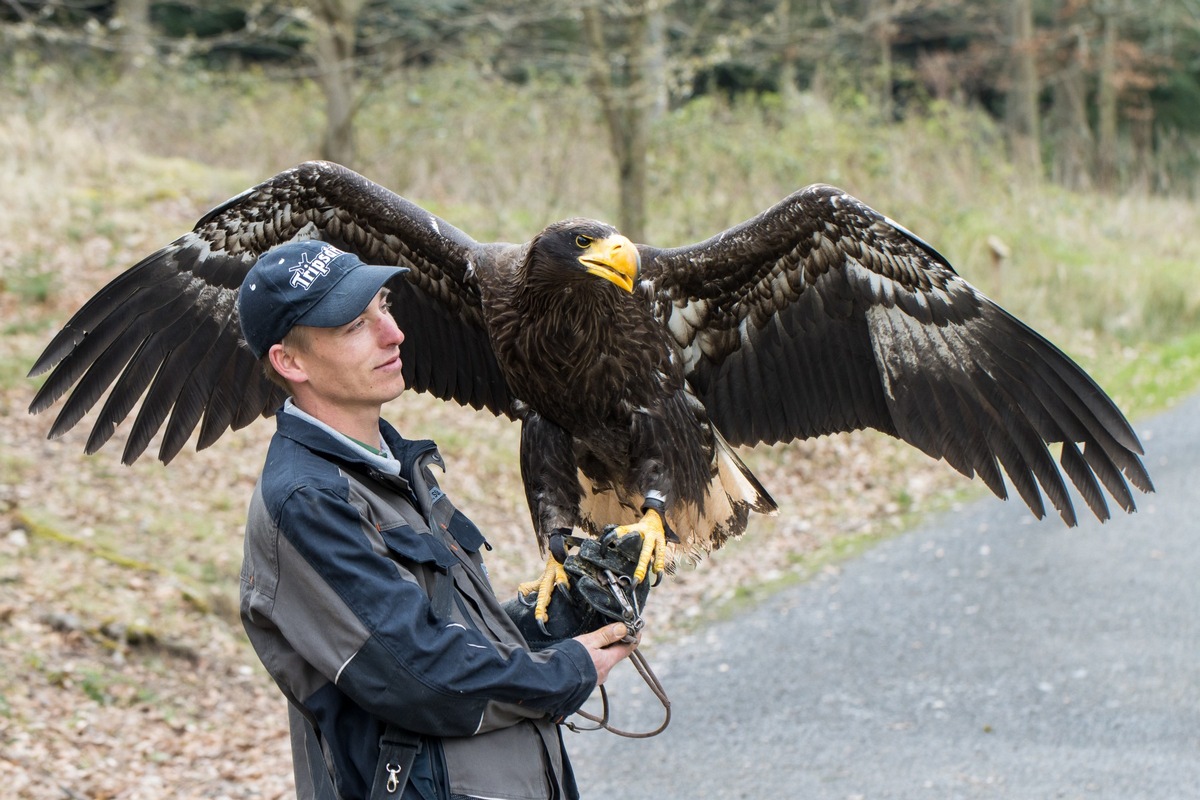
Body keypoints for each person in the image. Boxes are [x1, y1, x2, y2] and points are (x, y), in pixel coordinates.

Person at [236, 240, 639, 800]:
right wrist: (566, 671)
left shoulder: (392, 471)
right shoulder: (308, 501)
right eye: (356, 325)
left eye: (384, 305)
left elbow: (459, 640)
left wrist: (568, 610)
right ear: (290, 362)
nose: (393, 333)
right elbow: (420, 676)